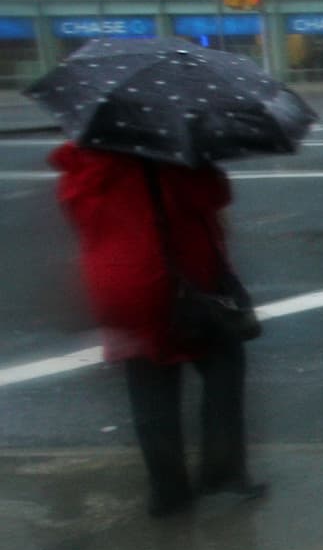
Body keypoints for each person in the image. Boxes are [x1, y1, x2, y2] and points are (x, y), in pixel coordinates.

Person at [50, 142, 265, 517]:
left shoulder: (82, 164)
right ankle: (221, 471)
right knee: (224, 365)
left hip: (118, 284)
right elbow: (213, 196)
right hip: (174, 280)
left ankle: (168, 492)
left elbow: (79, 214)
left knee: (149, 382)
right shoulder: (172, 154)